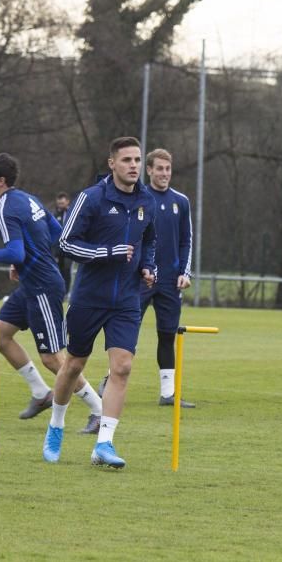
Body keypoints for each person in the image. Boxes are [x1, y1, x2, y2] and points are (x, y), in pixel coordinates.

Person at [0, 153, 102, 433]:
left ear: (1, 182)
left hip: (42, 287)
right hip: (31, 283)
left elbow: (17, 249)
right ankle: (41, 393)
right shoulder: (28, 198)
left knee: (53, 357)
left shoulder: (3, 209)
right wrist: (24, 262)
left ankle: (99, 410)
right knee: (0, 336)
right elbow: (56, 234)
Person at [42, 136, 156, 469]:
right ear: (112, 164)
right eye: (127, 160)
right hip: (89, 298)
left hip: (127, 299)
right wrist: (108, 253)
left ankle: (104, 443)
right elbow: (65, 243)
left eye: (137, 160)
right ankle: (56, 425)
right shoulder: (90, 199)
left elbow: (148, 241)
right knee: (74, 365)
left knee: (122, 367)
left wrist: (149, 267)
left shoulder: (146, 201)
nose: (134, 165)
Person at [100, 148, 196, 407]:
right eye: (159, 169)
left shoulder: (181, 201)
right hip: (140, 279)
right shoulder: (139, 198)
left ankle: (168, 394)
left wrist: (184, 273)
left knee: (167, 334)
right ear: (149, 170)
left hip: (169, 281)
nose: (164, 174)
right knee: (126, 333)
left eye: (168, 169)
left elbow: (187, 240)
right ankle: (108, 380)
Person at [52, 192, 72, 292]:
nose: (60, 205)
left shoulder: (72, 213)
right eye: (59, 203)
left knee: (67, 270)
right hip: (57, 249)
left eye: (62, 203)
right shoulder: (54, 215)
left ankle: (66, 292)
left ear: (67, 202)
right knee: (57, 271)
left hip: (69, 248)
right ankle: (58, 291)